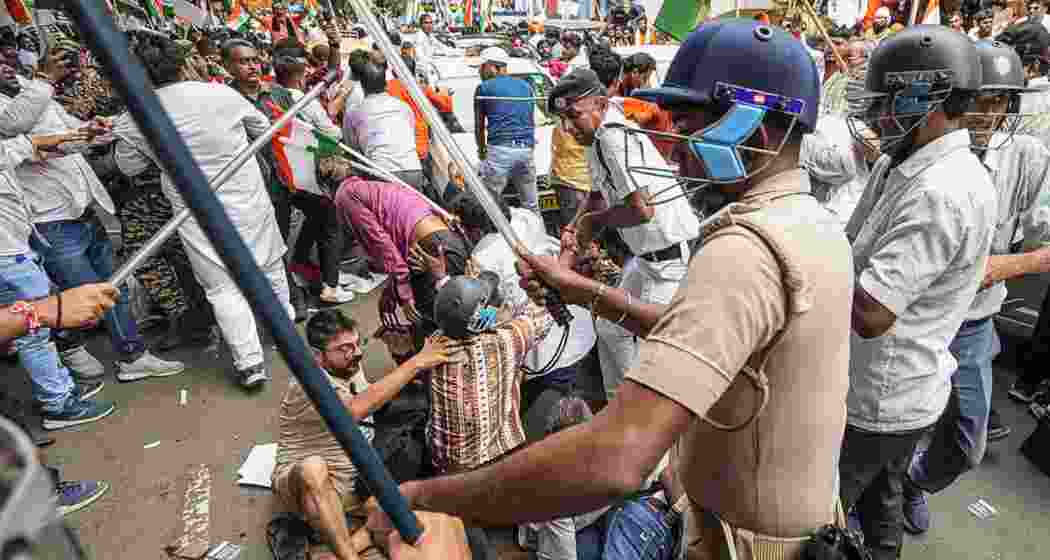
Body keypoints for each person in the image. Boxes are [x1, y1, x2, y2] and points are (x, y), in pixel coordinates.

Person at [370, 20, 853, 560]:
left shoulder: (744, 252)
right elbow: (693, 336)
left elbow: (616, 458)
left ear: (754, 131)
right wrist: (580, 289)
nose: (675, 153)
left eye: (691, 129)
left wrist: (425, 497)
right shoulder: (811, 220)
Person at [841, 26, 996, 560]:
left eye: (884, 101)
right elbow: (852, 242)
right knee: (882, 504)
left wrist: (801, 271)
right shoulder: (899, 159)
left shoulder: (942, 190)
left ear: (922, 98)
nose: (875, 114)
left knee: (823, 510)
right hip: (885, 387)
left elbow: (871, 312)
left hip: (880, 395)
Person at [897, 41, 1050, 534]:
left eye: (1003, 102)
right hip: (913, 319)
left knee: (967, 443)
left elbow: (1041, 241)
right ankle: (876, 492)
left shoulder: (1025, 157)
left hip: (973, 322)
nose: (991, 114)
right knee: (887, 424)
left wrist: (1005, 264)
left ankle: (913, 482)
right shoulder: (919, 149)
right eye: (982, 99)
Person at [0, 37, 185, 384]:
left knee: (110, 287)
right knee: (82, 294)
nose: (7, 64)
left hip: (81, 208)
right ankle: (85, 353)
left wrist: (102, 129)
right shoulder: (25, 97)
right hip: (49, 218)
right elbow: (13, 127)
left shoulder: (29, 90)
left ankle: (131, 355)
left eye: (8, 57)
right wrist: (45, 79)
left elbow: (70, 133)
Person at [114, 34, 293, 390]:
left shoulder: (136, 112)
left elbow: (129, 167)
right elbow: (262, 128)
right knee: (269, 267)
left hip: (196, 211)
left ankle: (250, 363)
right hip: (246, 199)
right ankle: (286, 337)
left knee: (222, 287)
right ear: (182, 63)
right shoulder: (220, 94)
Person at [551, 68, 700, 402]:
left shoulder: (613, 137)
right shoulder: (594, 138)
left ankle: (649, 425)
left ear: (601, 105)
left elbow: (641, 209)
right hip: (646, 260)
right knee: (610, 327)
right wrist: (574, 227)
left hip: (669, 262)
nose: (568, 128)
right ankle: (620, 406)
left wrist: (593, 222)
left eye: (574, 116)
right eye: (563, 119)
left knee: (658, 358)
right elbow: (596, 194)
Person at [272, 309, 453, 560]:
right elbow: (354, 410)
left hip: (352, 481)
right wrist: (417, 362)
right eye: (344, 348)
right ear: (317, 356)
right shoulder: (307, 384)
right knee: (312, 468)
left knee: (414, 480)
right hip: (312, 487)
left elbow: (373, 400)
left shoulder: (347, 366)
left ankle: (344, 549)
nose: (356, 353)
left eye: (357, 343)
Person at [0, 125, 116, 430]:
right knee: (34, 331)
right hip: (8, 258)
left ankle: (60, 394)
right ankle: (59, 404)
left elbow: (23, 146)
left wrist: (68, 136)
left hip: (16, 251)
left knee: (33, 329)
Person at [333, 176, 471, 362]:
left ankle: (430, 372)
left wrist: (405, 296)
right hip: (444, 238)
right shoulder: (374, 189)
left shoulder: (347, 197)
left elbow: (387, 250)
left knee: (430, 320)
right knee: (454, 313)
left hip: (429, 246)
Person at [426, 271, 553, 474]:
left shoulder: (433, 345)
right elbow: (538, 318)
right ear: (481, 317)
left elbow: (456, 309)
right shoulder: (502, 344)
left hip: (445, 462)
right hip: (491, 460)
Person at [223, 37, 310, 320]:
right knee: (270, 246)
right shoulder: (225, 102)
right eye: (242, 61)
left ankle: (296, 292)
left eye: (253, 60)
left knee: (281, 241)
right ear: (228, 66)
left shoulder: (277, 94)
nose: (251, 66)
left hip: (284, 180)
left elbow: (297, 132)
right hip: (251, 186)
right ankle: (290, 300)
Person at [474, 47, 539, 215]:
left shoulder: (484, 88)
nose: (480, 72)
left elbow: (479, 126)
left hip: (500, 151)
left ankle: (493, 237)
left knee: (490, 204)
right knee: (531, 205)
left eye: (482, 67)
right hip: (526, 149)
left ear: (491, 67)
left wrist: (481, 151)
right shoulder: (525, 86)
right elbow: (530, 119)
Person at [342, 61, 424, 191]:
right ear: (386, 85)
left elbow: (353, 149)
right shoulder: (403, 107)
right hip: (413, 170)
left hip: (381, 173)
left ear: (362, 86)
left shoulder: (353, 112)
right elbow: (410, 137)